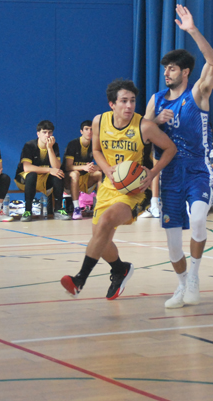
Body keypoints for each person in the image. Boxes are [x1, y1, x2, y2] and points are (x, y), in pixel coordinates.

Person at [60, 80, 176, 300]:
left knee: (105, 223)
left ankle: (79, 280)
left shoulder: (145, 127)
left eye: (132, 101)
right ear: (112, 104)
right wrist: (107, 170)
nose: (129, 106)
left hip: (135, 191)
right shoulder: (99, 121)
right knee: (100, 240)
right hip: (108, 187)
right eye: (123, 101)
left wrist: (152, 173)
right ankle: (120, 269)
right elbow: (96, 150)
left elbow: (170, 148)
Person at [145, 4, 213, 309]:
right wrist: (155, 123)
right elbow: (143, 131)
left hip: (197, 169)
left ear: (185, 72)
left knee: (199, 220)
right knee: (173, 245)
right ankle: (182, 284)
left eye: (172, 68)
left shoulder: (198, 93)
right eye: (165, 69)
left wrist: (192, 30)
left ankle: (195, 276)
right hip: (170, 173)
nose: (166, 73)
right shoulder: (156, 99)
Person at [14, 120, 68, 222]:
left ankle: (58, 209)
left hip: (43, 179)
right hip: (24, 179)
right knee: (32, 175)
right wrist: (49, 169)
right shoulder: (29, 145)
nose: (47, 135)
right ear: (38, 134)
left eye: (50, 132)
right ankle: (28, 210)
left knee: (59, 174)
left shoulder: (54, 145)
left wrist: (50, 149)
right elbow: (27, 168)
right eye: (44, 132)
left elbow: (56, 167)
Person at [63, 120, 103, 220]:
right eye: (86, 129)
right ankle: (77, 208)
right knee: (75, 173)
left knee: (99, 174)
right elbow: (68, 167)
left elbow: (102, 164)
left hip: (84, 179)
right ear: (81, 131)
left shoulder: (95, 145)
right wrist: (84, 167)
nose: (89, 132)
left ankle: (99, 206)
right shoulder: (73, 144)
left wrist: (94, 167)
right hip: (68, 180)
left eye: (91, 129)